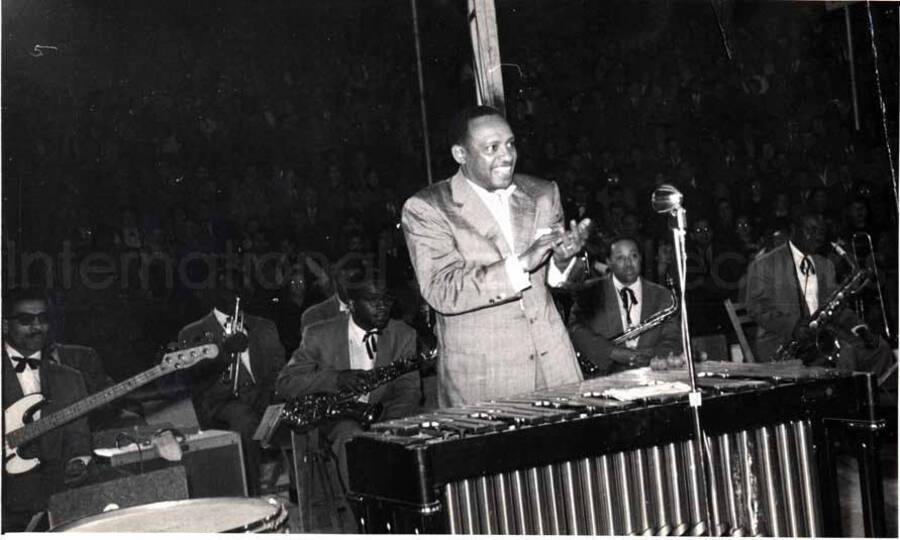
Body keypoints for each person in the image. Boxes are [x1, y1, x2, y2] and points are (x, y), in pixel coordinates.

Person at [401, 105, 591, 406]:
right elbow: (442, 290)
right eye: (492, 148)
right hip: (484, 381)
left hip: (556, 368)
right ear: (460, 154)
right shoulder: (428, 207)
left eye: (510, 144)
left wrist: (565, 260)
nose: (507, 156)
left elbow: (561, 282)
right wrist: (522, 264)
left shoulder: (543, 193)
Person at [275, 278, 421, 487]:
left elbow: (409, 388)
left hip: (385, 415)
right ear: (351, 304)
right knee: (350, 436)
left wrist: (391, 425)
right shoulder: (319, 334)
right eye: (372, 300)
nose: (383, 307)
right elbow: (286, 383)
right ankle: (363, 508)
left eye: (387, 300)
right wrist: (336, 379)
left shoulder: (404, 334)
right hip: (336, 419)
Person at [745, 212, 894, 381]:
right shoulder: (765, 264)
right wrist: (793, 326)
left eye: (821, 232)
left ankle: (871, 403)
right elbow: (756, 308)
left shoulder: (826, 265)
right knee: (845, 355)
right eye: (812, 230)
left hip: (822, 339)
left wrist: (862, 330)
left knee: (881, 349)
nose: (818, 236)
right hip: (782, 341)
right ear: (794, 230)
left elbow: (839, 308)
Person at [177, 267, 286, 496]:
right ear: (213, 293)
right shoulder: (193, 332)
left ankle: (302, 491)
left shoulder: (265, 326)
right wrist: (224, 351)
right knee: (244, 420)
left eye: (242, 289)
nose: (238, 296)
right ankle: (251, 494)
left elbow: (279, 369)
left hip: (264, 396)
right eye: (230, 289)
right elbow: (196, 377)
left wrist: (268, 395)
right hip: (221, 403)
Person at [2, 289, 93, 532]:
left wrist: (78, 461)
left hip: (56, 500)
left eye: (43, 319)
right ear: (4, 326)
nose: (37, 326)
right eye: (26, 320)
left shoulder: (71, 378)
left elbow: (79, 438)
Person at [569, 237, 682, 375]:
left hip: (653, 375)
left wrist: (654, 357)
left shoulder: (663, 295)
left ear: (640, 258)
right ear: (608, 262)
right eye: (620, 258)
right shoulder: (591, 291)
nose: (629, 264)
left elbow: (672, 337)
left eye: (633, 256)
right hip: (605, 377)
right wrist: (613, 352)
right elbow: (576, 328)